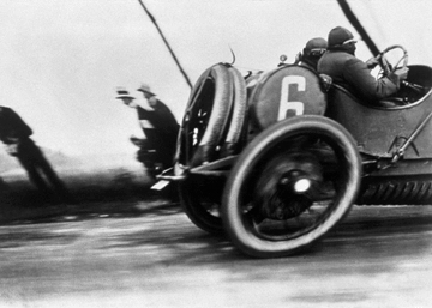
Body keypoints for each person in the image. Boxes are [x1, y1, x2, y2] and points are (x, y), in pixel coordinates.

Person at [317, 26, 409, 102]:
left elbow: (346, 76)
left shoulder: (324, 59)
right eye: (352, 43)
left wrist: (365, 66)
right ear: (347, 45)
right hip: (359, 111)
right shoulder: (351, 63)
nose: (355, 47)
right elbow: (377, 91)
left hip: (341, 108)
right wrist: (396, 77)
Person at [0, 105, 68, 197]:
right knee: (44, 170)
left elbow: (26, 130)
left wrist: (11, 139)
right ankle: (60, 192)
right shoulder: (7, 111)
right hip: (25, 144)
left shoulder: (6, 112)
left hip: (20, 146)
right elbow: (27, 130)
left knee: (35, 172)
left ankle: (48, 194)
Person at [117, 84, 179, 178]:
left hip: (164, 139)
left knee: (162, 157)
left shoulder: (148, 106)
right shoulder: (144, 107)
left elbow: (156, 127)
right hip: (161, 138)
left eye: (124, 99)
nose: (123, 102)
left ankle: (168, 171)